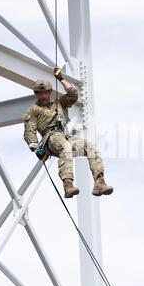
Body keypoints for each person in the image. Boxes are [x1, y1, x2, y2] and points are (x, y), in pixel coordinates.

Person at [22, 68, 113, 198]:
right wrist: (33, 144)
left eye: (46, 93)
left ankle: (99, 183)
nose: (43, 96)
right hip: (51, 138)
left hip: (65, 136)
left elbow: (73, 95)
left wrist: (61, 78)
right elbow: (29, 129)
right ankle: (68, 185)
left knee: (91, 147)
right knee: (66, 147)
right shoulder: (33, 110)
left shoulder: (59, 103)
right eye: (40, 93)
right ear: (36, 94)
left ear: (49, 92)